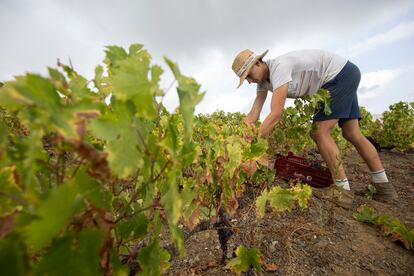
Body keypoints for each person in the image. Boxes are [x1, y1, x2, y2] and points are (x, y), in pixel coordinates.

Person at [231, 49, 398, 207]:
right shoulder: (264, 83)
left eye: (249, 75)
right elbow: (254, 112)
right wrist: (239, 138)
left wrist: (253, 143)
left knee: (320, 132)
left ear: (258, 63)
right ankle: (384, 187)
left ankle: (342, 192)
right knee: (351, 133)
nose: (249, 81)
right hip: (345, 73)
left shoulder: (279, 68)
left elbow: (276, 114)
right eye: (245, 79)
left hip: (338, 76)